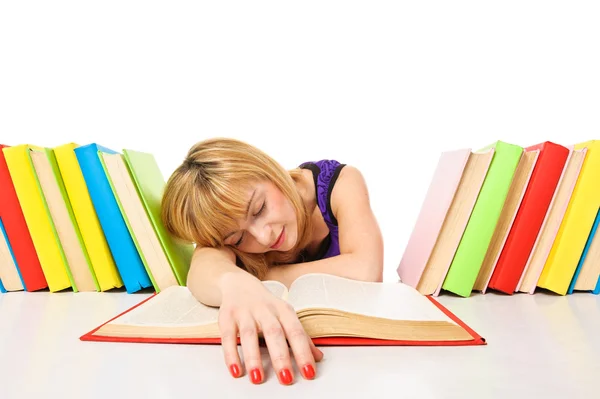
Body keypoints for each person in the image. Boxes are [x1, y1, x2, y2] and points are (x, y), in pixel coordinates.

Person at [161, 137, 384, 385]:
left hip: (364, 364)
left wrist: (260, 278)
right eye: (238, 238)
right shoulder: (224, 226)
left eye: (259, 209)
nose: (263, 236)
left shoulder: (340, 182)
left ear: (269, 169)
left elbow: (367, 270)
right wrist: (233, 282)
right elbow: (202, 267)